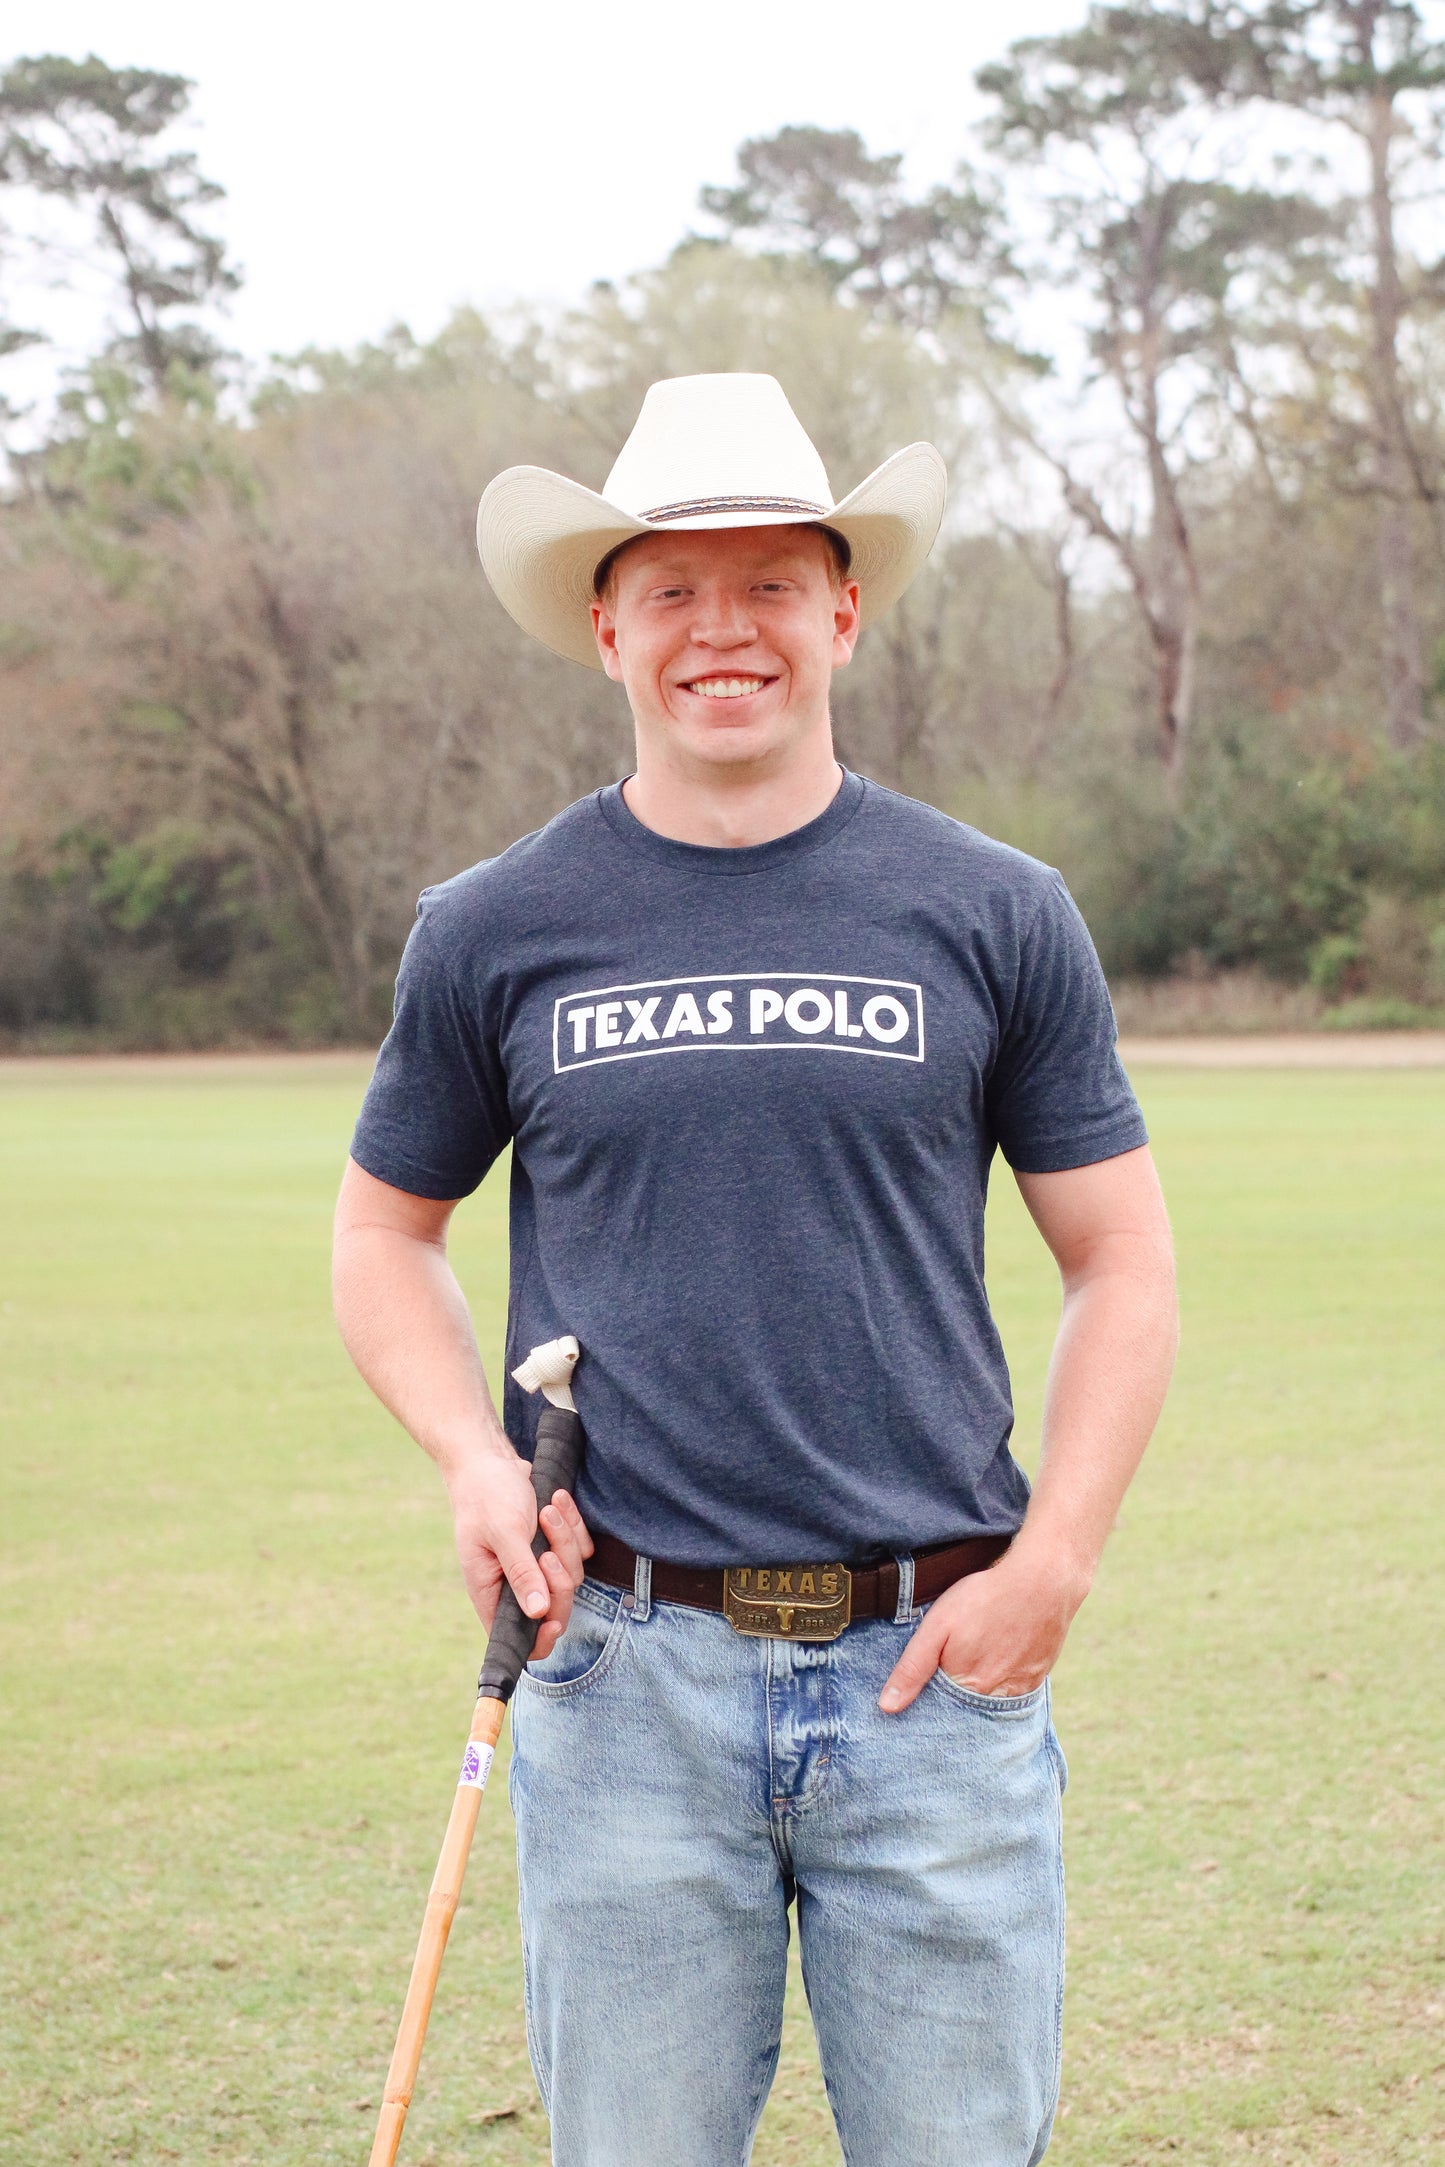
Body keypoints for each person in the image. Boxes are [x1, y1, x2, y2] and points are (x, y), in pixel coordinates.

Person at [332, 372, 1178, 2167]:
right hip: (621, 1674)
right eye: (673, 590)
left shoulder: (993, 909)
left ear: (844, 606)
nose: (724, 630)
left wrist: (1060, 1563)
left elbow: (1120, 1263)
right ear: (606, 624)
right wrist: (478, 1466)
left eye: (771, 583)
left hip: (935, 1684)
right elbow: (382, 1236)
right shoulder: (495, 927)